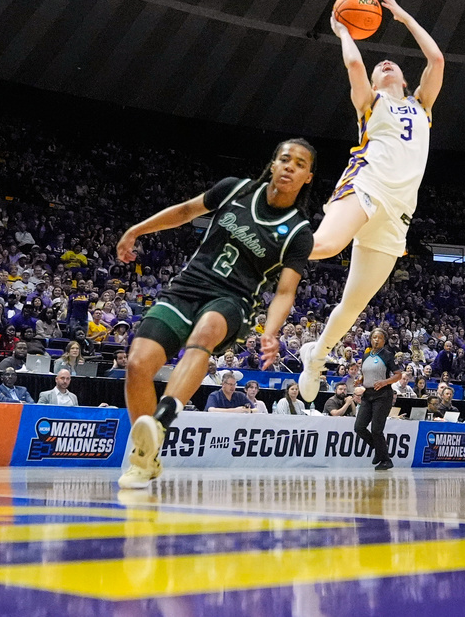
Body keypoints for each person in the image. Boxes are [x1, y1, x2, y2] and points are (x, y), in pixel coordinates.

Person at [116, 140, 316, 488]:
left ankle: (162, 420)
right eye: (284, 159)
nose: (289, 166)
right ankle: (144, 457)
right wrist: (137, 229)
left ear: (307, 177)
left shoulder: (299, 232)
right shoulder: (234, 188)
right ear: (272, 164)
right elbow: (183, 212)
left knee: (206, 330)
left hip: (233, 301)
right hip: (187, 287)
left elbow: (285, 291)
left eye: (299, 164)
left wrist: (271, 331)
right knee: (136, 364)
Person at [298, 0, 444, 403]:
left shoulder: (422, 106)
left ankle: (317, 356)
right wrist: (344, 30)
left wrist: (403, 17)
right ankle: (259, 240)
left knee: (352, 304)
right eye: (380, 65)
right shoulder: (369, 101)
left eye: (392, 63)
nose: (385, 63)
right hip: (366, 186)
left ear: (402, 77)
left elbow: (436, 61)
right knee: (325, 245)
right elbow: (354, 63)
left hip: (398, 214)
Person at [356, 328, 402, 470]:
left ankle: (385, 460)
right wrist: (361, 380)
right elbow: (367, 373)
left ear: (384, 340)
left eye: (380, 338)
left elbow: (398, 375)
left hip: (383, 395)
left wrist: (384, 382)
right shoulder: (366, 355)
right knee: (359, 427)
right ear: (370, 339)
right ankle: (380, 452)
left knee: (376, 429)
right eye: (374, 337)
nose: (376, 340)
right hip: (368, 394)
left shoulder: (387, 355)